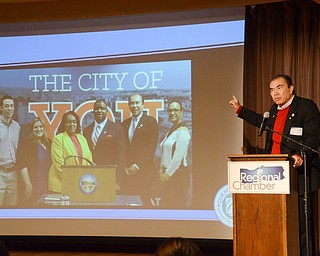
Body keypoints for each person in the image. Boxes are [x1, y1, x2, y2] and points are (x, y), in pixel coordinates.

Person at [229, 74, 320, 256]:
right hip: (274, 176)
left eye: (279, 87)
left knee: (301, 226)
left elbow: (313, 136)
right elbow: (261, 122)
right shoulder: (273, 110)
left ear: (291, 88)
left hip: (299, 176)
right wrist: (240, 109)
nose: (275, 93)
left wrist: (301, 155)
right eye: (271, 89)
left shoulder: (305, 107)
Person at [121, 94, 158, 207]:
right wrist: (125, 168)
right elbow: (123, 148)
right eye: (132, 103)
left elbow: (150, 147)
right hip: (127, 174)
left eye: (137, 103)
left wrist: (137, 165)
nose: (135, 106)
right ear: (128, 105)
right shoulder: (124, 124)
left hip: (144, 173)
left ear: (143, 104)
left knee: (144, 204)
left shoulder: (151, 122)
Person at [83, 99, 126, 190]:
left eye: (102, 108)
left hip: (109, 176)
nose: (99, 111)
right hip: (90, 178)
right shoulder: (87, 130)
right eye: (97, 108)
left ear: (107, 111)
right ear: (93, 111)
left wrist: (118, 181)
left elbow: (121, 156)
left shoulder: (117, 129)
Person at [49, 111, 93, 193]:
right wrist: (76, 182)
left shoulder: (82, 139)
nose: (72, 124)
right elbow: (59, 166)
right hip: (62, 186)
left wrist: (85, 181)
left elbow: (89, 162)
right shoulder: (58, 139)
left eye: (74, 121)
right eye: (68, 122)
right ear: (64, 124)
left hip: (81, 185)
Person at [159, 101, 191, 208]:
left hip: (177, 177)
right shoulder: (172, 130)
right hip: (168, 176)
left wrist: (167, 175)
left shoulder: (183, 132)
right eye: (170, 110)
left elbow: (178, 158)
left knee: (176, 208)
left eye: (176, 110)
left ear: (182, 112)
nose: (172, 113)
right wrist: (161, 171)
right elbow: (164, 152)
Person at [16, 117, 51, 206]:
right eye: (35, 127)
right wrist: (28, 184)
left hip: (47, 185)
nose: (38, 129)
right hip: (33, 185)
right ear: (32, 130)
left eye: (40, 126)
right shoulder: (26, 143)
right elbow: (22, 164)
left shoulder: (49, 143)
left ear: (44, 128)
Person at [0, 95, 20, 207]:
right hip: (0, 173)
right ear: (1, 108)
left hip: (13, 173)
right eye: (6, 106)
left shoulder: (16, 126)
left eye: (12, 106)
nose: (9, 109)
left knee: (12, 209)